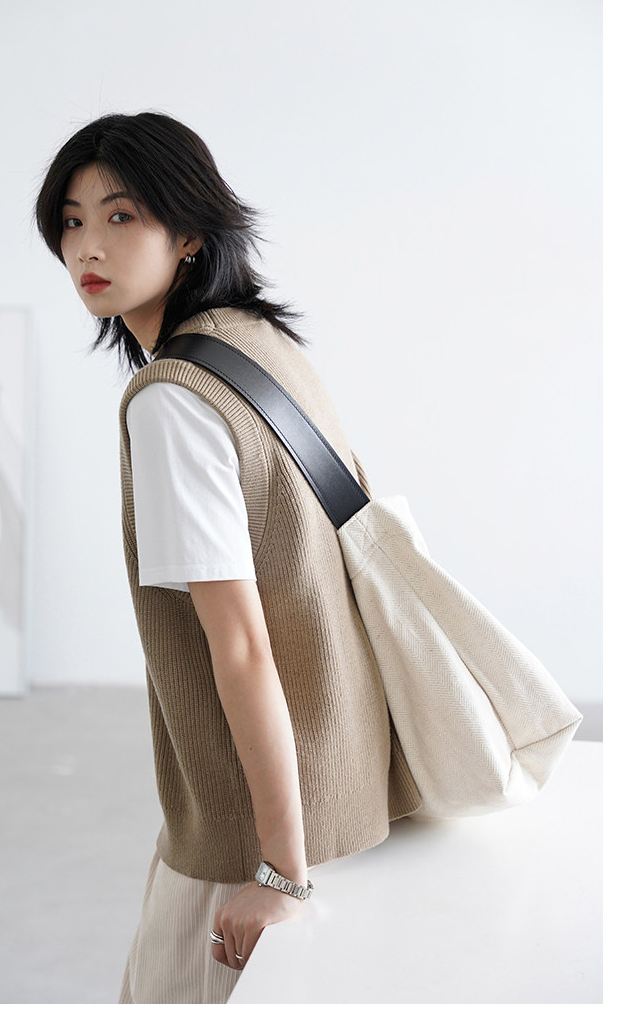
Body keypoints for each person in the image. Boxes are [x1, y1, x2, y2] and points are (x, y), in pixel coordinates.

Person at [34, 111, 421, 1005]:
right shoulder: (260, 343)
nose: (89, 246)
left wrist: (279, 873)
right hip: (348, 774)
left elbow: (240, 643)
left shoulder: (170, 399)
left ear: (190, 233)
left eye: (122, 216)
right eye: (72, 220)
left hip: (253, 829)